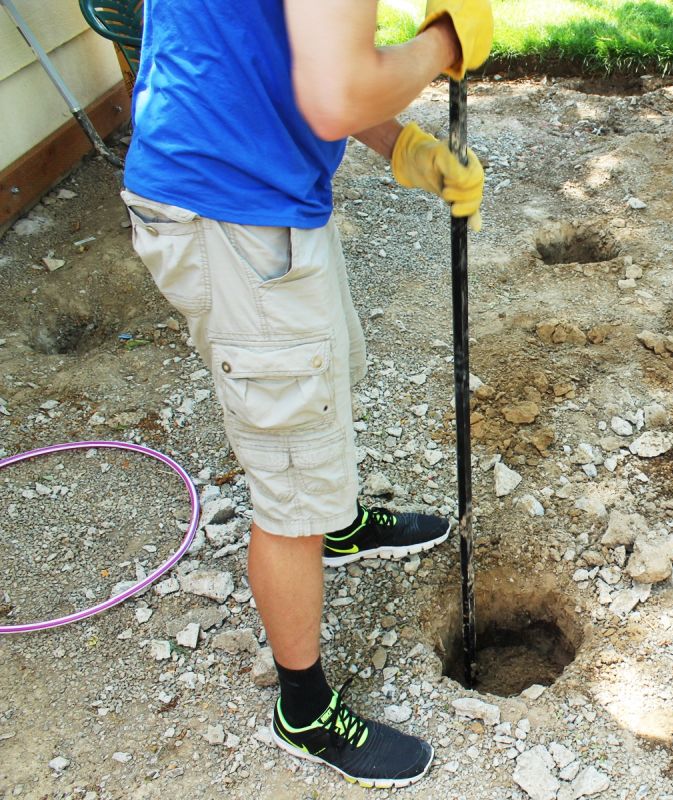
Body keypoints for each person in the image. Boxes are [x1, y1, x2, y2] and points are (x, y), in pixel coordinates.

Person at [120, 0, 493, 788]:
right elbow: (336, 92)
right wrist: (444, 43)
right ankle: (304, 709)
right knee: (291, 473)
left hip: (251, 187)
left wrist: (405, 147)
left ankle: (339, 526)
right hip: (234, 207)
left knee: (324, 384)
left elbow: (284, 57)